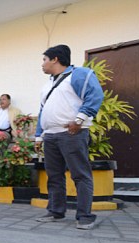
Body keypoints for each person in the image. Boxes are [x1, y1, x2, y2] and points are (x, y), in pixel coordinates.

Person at [34, 44, 104, 230]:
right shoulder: (48, 84)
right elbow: (43, 111)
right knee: (54, 176)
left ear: (55, 59)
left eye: (44, 60)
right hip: (51, 136)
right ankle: (56, 212)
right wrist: (39, 136)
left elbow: (95, 95)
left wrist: (79, 120)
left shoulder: (79, 74)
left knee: (80, 175)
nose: (42, 64)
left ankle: (85, 216)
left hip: (72, 133)